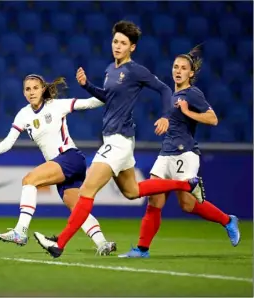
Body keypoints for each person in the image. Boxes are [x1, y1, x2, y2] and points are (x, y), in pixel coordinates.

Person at [33, 20, 206, 258]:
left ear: (132, 47)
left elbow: (165, 89)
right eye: (115, 41)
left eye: (123, 43)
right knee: (132, 191)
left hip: (119, 141)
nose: (117, 46)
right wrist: (87, 86)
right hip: (114, 140)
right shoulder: (109, 69)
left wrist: (166, 116)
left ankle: (59, 244)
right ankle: (187, 184)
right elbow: (108, 97)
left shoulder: (135, 70)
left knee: (86, 191)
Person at [118, 46, 241, 258]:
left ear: (191, 73)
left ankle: (228, 221)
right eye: (175, 67)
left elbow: (213, 119)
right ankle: (142, 249)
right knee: (155, 201)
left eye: (183, 68)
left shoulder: (192, 93)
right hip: (165, 152)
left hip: (185, 154)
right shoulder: (170, 93)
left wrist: (187, 111)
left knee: (187, 204)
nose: (178, 70)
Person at [0, 74, 117, 255]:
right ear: (24, 93)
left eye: (35, 88)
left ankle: (20, 231)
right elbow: (9, 141)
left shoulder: (55, 105)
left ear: (43, 89)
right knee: (77, 208)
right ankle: (102, 243)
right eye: (27, 89)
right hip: (61, 166)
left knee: (29, 180)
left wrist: (110, 95)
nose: (31, 92)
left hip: (69, 157)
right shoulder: (23, 114)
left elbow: (88, 103)